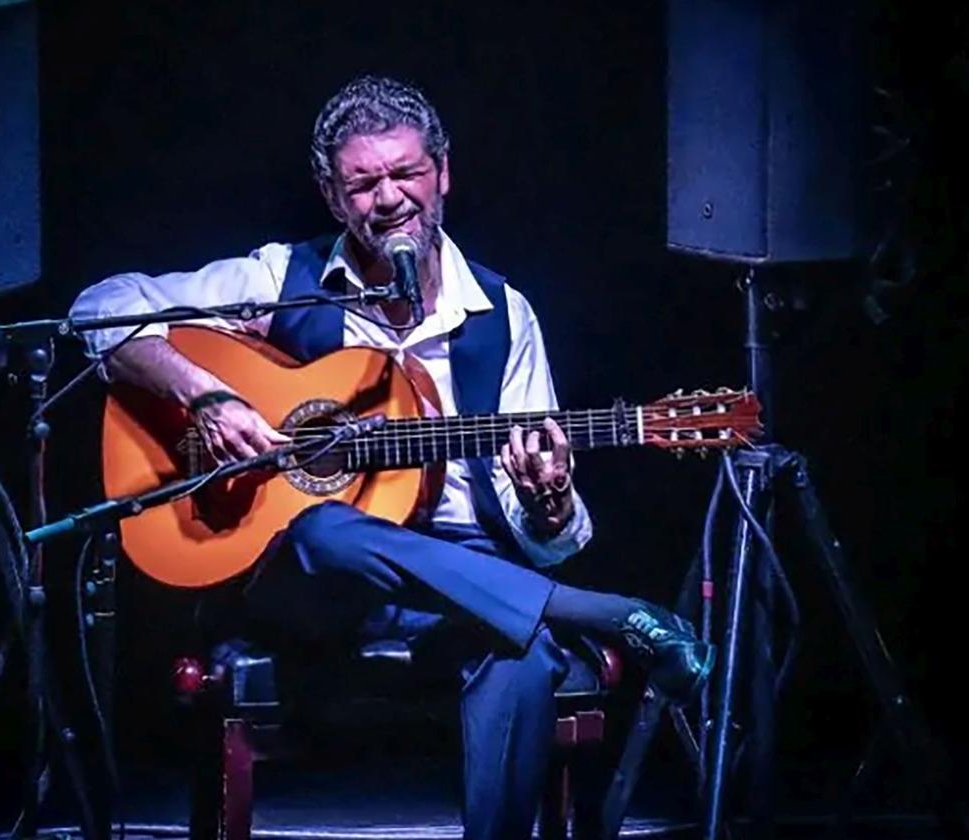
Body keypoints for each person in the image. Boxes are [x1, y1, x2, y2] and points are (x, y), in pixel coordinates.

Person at [69, 75, 713, 840]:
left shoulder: (503, 316)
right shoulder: (282, 280)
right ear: (333, 196)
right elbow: (102, 307)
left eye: (406, 173)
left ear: (443, 173)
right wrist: (206, 395)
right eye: (364, 183)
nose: (390, 198)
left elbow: (543, 535)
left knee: (524, 653)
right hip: (313, 581)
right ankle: (610, 615)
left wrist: (548, 499)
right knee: (325, 530)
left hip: (465, 575)